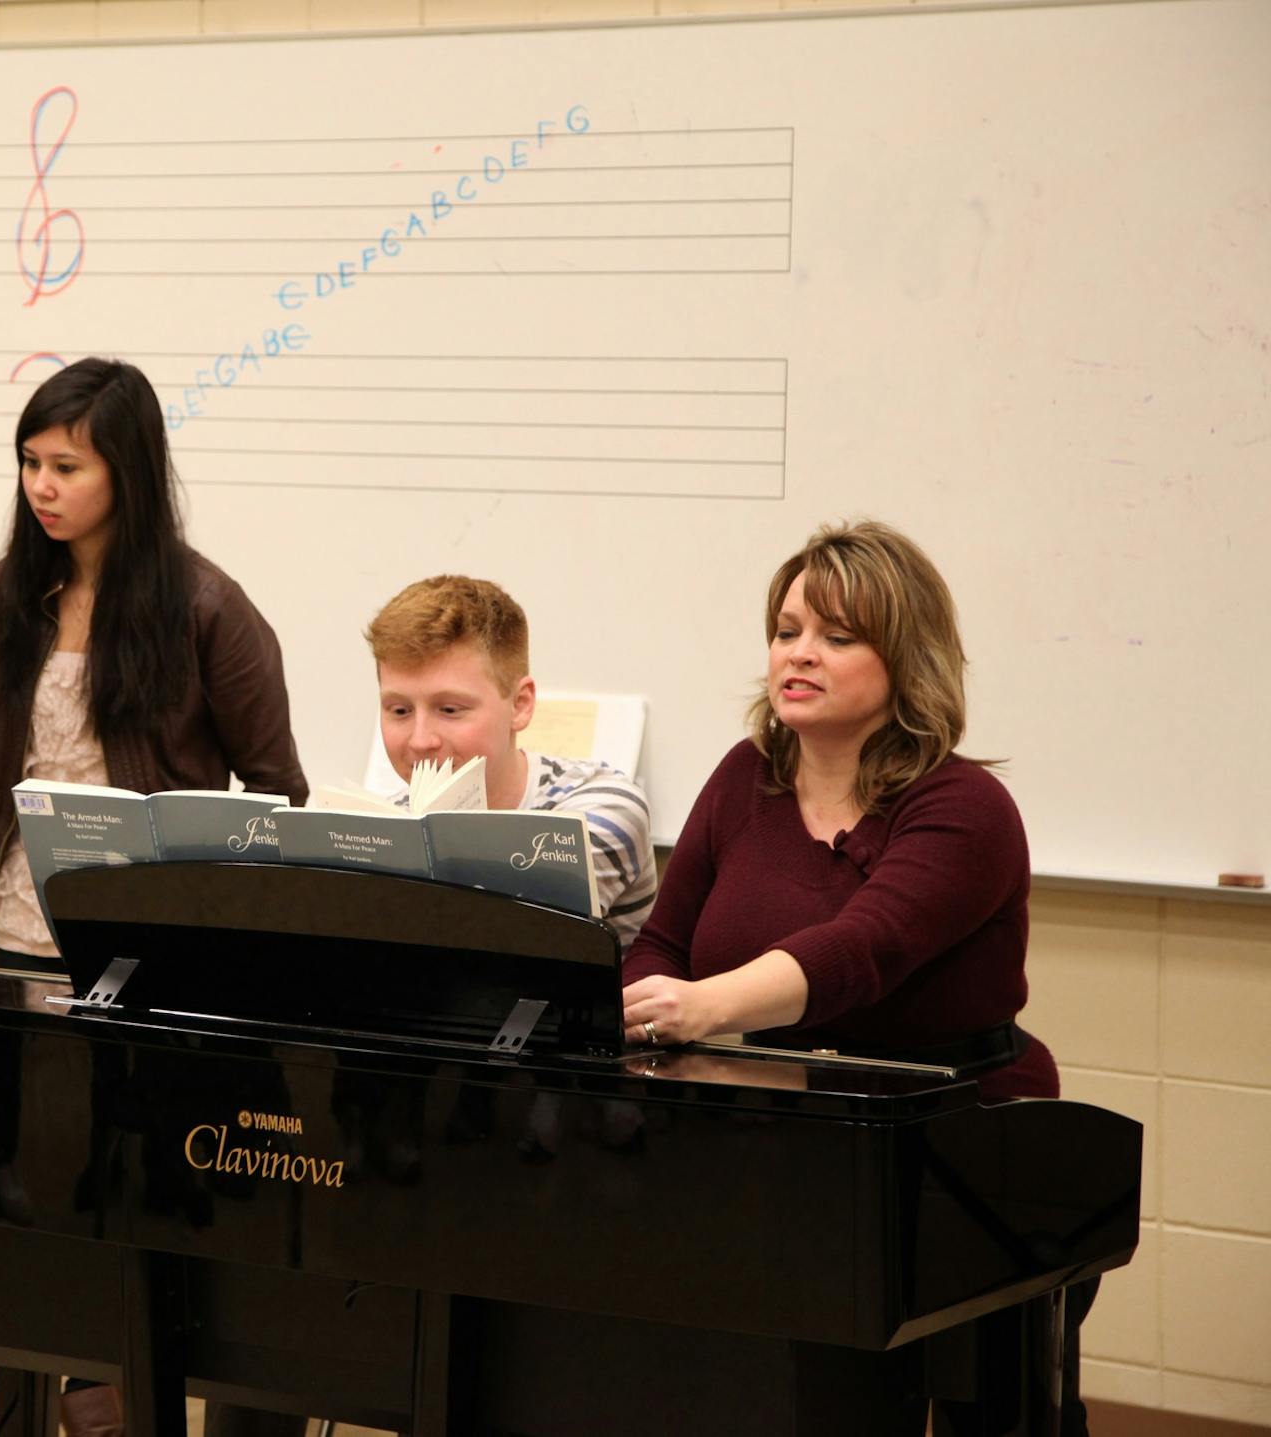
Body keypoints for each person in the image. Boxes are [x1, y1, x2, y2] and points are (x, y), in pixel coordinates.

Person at [619, 519, 1090, 1433]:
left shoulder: (964, 807)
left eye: (837, 637)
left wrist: (704, 1007)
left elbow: (857, 951)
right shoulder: (745, 777)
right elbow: (661, 945)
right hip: (795, 1136)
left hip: (963, 1142)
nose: (800, 654)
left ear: (904, 662)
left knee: (985, 1407)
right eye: (787, 629)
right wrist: (645, 1004)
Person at [0, 356, 308, 1437]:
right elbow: (0, 764)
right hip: (26, 940)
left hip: (158, 957)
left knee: (152, 1201)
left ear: (129, 470)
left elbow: (278, 791)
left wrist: (201, 894)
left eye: (66, 463)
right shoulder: (5, 597)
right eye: (29, 461)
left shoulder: (208, 605)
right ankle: (69, 1399)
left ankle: (138, 1398)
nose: (42, 484)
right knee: (40, 1204)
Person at [365, 574, 656, 947]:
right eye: (400, 710)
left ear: (520, 705)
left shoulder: (602, 806)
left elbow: (502, 953)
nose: (421, 740)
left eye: (450, 709)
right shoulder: (389, 826)